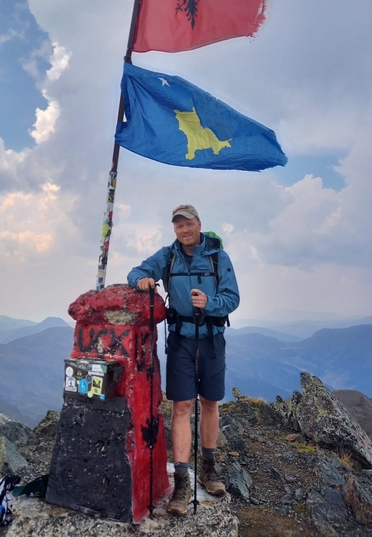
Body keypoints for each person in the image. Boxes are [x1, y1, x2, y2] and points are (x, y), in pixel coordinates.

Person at [127, 204, 240, 517]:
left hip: (213, 338)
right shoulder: (168, 256)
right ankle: (181, 483)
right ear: (174, 229)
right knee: (181, 406)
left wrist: (210, 303)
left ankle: (209, 468)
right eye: (178, 225)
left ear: (199, 224)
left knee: (211, 402)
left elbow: (233, 297)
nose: (184, 230)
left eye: (188, 224)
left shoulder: (219, 257)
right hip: (180, 340)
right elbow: (136, 272)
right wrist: (142, 282)